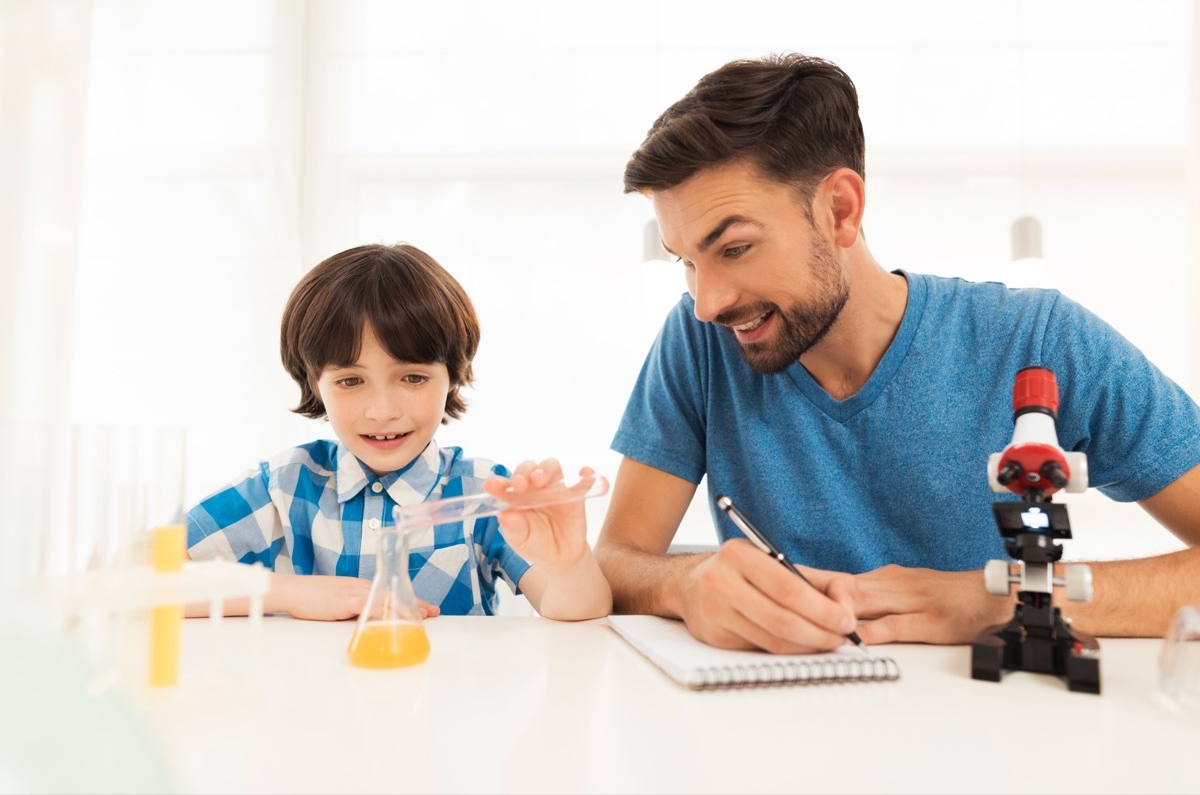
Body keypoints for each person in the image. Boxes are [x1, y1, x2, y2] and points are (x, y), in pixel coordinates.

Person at [594, 52, 1200, 654]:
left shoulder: (1038, 338)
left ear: (840, 210)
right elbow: (619, 559)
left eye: (735, 249)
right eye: (686, 262)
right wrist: (686, 583)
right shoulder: (702, 340)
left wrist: (1003, 598)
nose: (706, 301)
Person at [186, 243, 612, 621]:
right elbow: (141, 575)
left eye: (412, 378)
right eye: (350, 381)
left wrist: (570, 564)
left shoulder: (483, 494)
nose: (382, 411)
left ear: (453, 376)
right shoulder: (283, 487)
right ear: (314, 383)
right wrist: (293, 594)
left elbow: (574, 611)